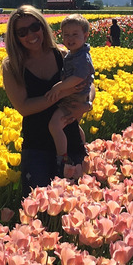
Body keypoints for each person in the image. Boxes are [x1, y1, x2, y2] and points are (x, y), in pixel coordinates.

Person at [1, 5, 92, 198]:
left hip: (70, 144)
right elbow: (24, 107)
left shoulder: (63, 56)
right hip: (37, 148)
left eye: (35, 27)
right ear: (15, 36)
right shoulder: (12, 67)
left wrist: (86, 105)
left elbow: (88, 84)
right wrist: (59, 93)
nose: (30, 34)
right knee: (39, 211)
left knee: (73, 211)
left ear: (42, 27)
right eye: (22, 32)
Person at [43, 14, 93, 180]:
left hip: (75, 98)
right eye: (66, 34)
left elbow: (78, 78)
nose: (70, 38)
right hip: (77, 97)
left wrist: (59, 87)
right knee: (72, 123)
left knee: (55, 124)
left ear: (85, 36)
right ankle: (83, 147)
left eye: (75, 34)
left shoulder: (82, 57)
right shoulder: (74, 53)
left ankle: (62, 157)